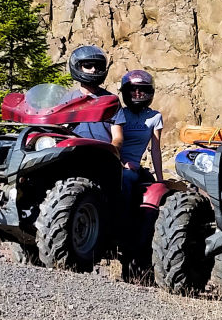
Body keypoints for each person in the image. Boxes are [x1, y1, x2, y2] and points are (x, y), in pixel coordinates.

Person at [111, 70, 164, 203]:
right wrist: (121, 164)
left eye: (142, 90)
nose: (137, 93)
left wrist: (160, 179)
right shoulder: (118, 113)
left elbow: (155, 149)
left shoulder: (155, 117)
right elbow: (110, 141)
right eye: (133, 90)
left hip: (134, 167)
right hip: (115, 163)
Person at [65, 45, 116, 142]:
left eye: (98, 66)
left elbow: (118, 137)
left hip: (102, 152)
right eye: (88, 66)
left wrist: (112, 152)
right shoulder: (67, 100)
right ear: (78, 68)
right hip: (73, 152)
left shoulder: (111, 100)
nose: (93, 69)